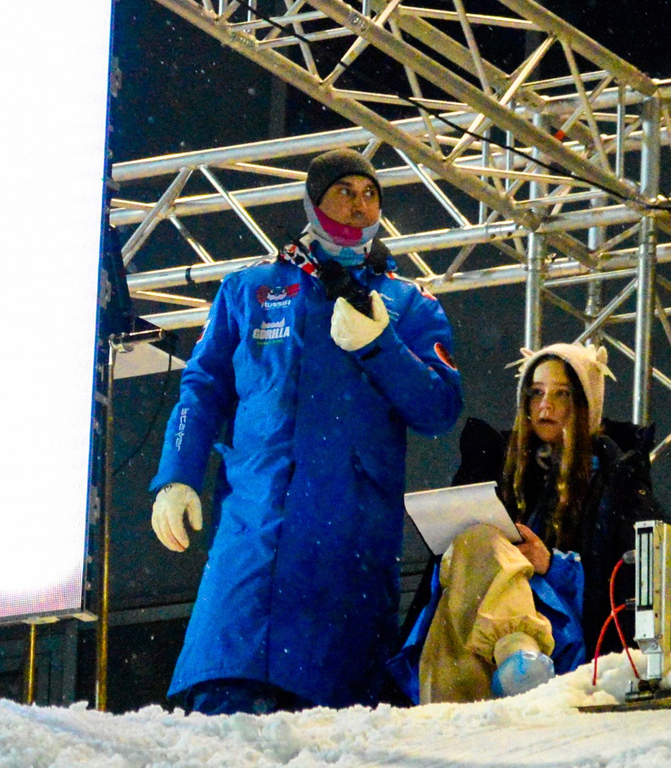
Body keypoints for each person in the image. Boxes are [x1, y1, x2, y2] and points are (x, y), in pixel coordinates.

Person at [149, 147, 463, 713]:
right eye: (345, 191)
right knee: (224, 707)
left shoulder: (408, 303)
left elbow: (440, 407)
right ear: (313, 202)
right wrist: (177, 474)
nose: (360, 203)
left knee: (333, 734)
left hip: (349, 546)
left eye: (371, 194)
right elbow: (203, 387)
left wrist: (379, 345)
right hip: (254, 533)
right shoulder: (248, 290)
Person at [400, 342, 671, 700]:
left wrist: (550, 564)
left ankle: (515, 659)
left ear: (585, 406)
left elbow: (631, 585)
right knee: (469, 551)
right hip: (485, 631)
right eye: (537, 393)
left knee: (479, 542)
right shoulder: (497, 471)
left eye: (561, 394)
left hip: (564, 640)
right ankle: (491, 674)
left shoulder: (613, 484)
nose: (546, 405)